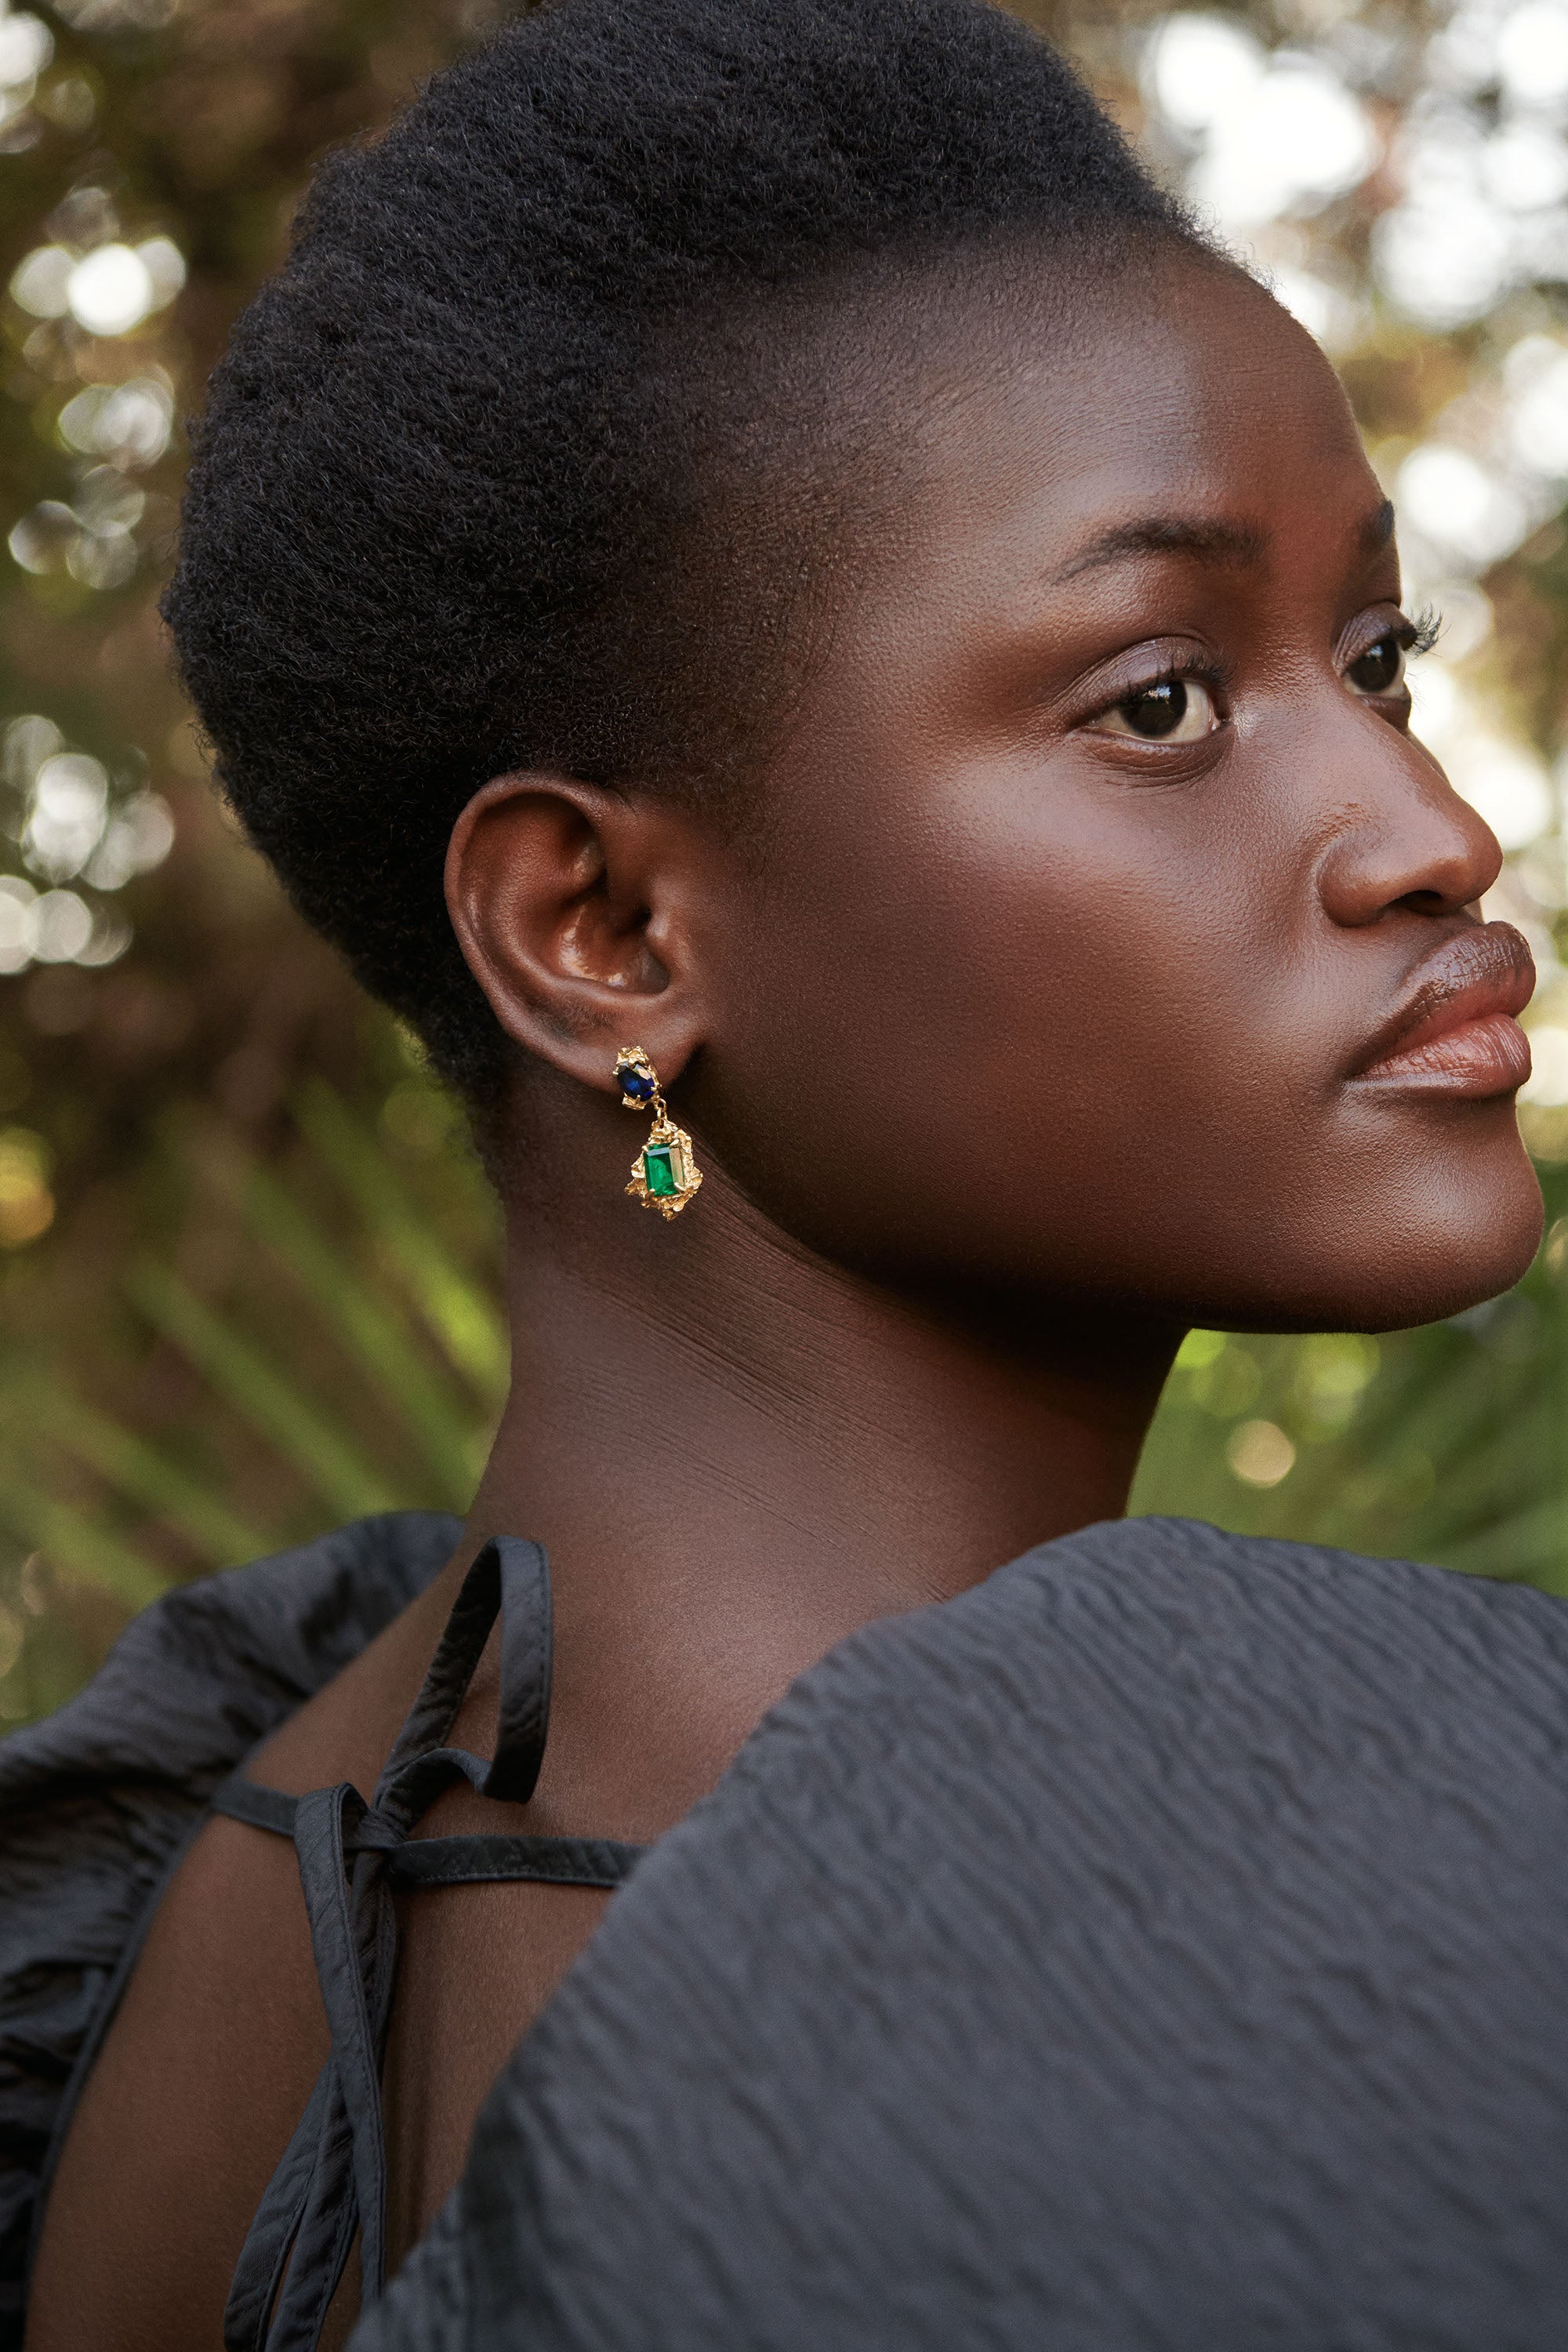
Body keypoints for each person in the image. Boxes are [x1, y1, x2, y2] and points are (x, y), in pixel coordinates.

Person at [2, 0, 1562, 2345]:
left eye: (1377, 654)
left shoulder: (248, 1853)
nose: (1432, 833)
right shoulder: (1185, 1976)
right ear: (604, 935)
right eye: (1159, 701)